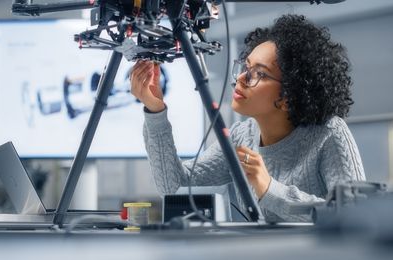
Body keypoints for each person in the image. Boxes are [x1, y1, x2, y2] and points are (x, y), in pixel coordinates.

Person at [130, 14, 365, 222]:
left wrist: (270, 189)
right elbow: (174, 186)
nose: (241, 78)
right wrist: (155, 112)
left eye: (259, 74)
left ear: (289, 96)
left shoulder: (329, 133)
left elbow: (356, 215)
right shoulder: (242, 136)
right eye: (246, 67)